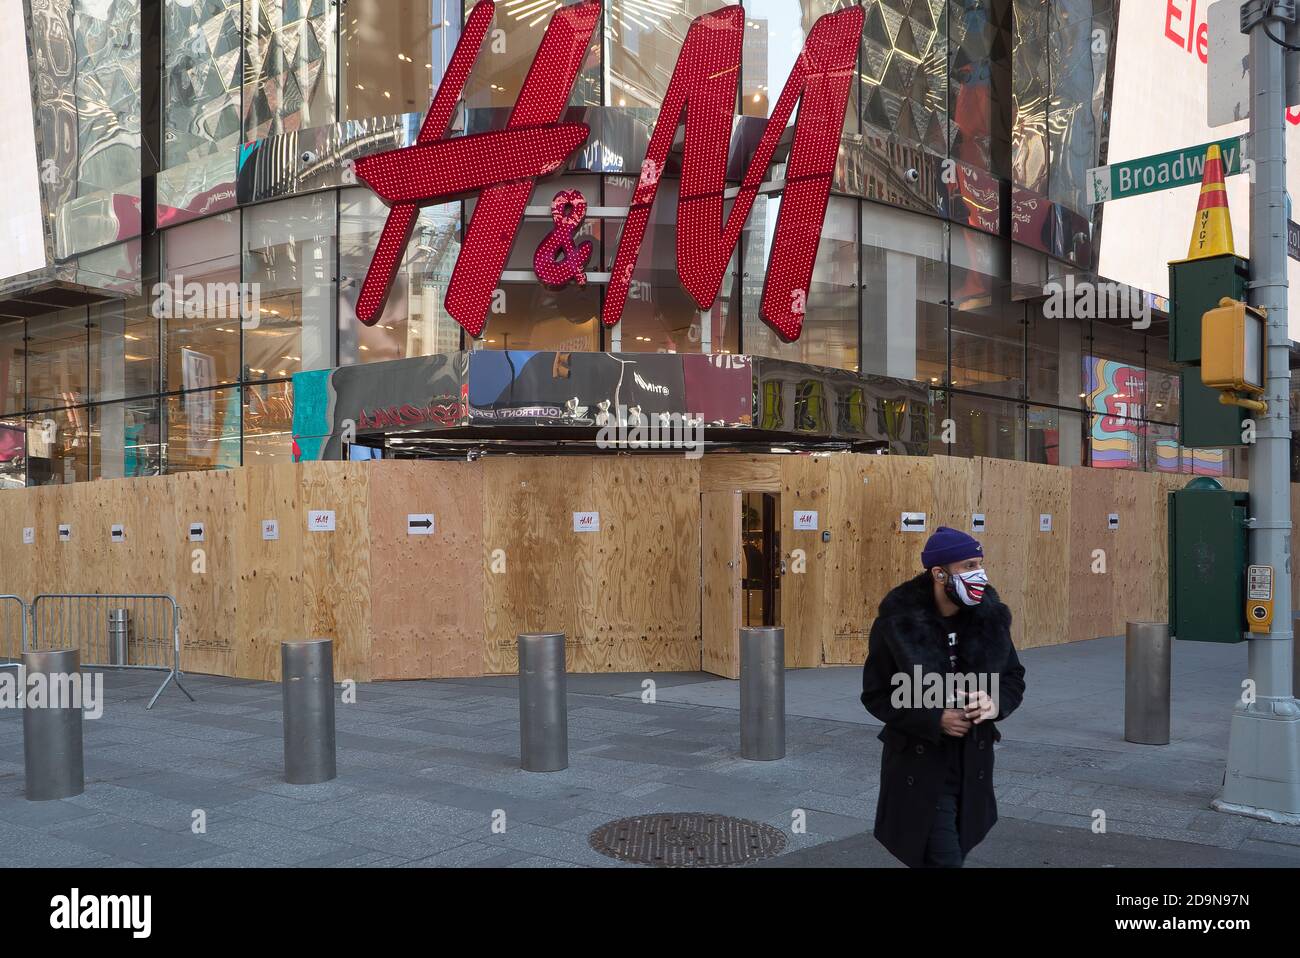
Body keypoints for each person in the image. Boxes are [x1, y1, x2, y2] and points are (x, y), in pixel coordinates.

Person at [860, 526, 1026, 868]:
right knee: (943, 856)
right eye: (967, 566)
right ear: (938, 573)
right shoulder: (897, 624)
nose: (978, 573)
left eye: (979, 564)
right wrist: (934, 718)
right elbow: (877, 694)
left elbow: (1013, 677)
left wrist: (994, 703)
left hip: (972, 759)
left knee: (953, 846)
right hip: (921, 764)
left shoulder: (989, 619)